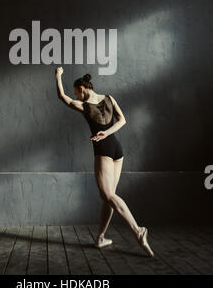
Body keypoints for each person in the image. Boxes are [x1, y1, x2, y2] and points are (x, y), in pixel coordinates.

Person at [55, 66, 154, 257]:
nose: (76, 96)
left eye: (76, 93)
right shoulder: (109, 98)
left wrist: (58, 76)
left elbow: (62, 97)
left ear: (82, 89)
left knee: (108, 195)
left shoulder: (84, 106)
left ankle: (138, 230)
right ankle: (100, 237)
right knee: (109, 197)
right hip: (117, 149)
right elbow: (122, 120)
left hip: (104, 151)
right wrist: (107, 132)